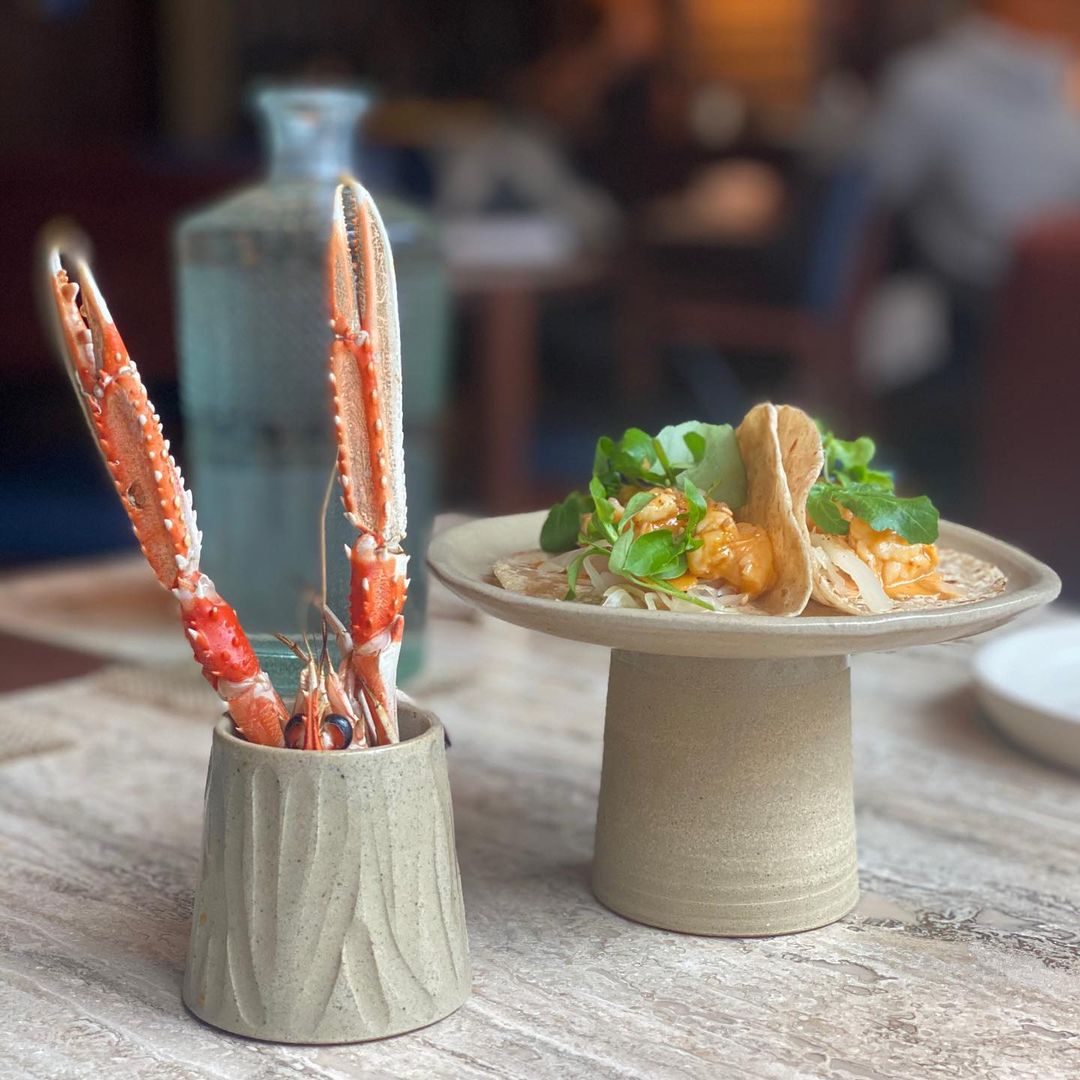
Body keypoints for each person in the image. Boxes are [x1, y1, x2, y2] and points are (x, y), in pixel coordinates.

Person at [862, 0, 1080, 515]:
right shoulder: (1061, 92)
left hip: (977, 333)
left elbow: (867, 192)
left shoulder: (923, 83)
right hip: (1039, 337)